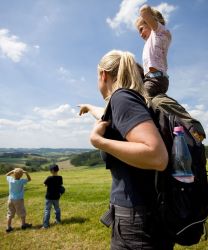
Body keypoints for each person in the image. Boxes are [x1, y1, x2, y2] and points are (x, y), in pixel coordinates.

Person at [80, 49, 174, 249]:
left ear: (103, 75)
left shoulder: (122, 98)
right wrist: (89, 107)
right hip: (145, 214)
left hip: (136, 221)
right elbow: (109, 116)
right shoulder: (129, 100)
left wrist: (99, 141)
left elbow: (157, 156)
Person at [136, 4, 172, 97]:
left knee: (140, 100)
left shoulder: (158, 32)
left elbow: (144, 10)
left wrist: (145, 15)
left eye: (141, 29)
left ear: (150, 22)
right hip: (153, 79)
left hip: (155, 78)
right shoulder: (151, 41)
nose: (140, 34)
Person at [6, 168, 32, 233]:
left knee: (10, 213)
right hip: (19, 200)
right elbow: (29, 179)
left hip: (10, 199)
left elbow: (7, 175)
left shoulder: (10, 180)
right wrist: (26, 173)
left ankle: (8, 227)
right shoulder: (21, 181)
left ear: (13, 174)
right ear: (21, 175)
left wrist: (12, 171)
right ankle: (23, 225)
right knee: (22, 212)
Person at [42, 164, 63, 229]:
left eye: (50, 170)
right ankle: (58, 221)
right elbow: (60, 185)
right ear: (57, 170)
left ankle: (46, 225)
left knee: (47, 210)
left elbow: (44, 184)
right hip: (56, 196)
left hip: (49, 197)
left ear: (52, 171)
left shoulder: (49, 178)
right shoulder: (60, 178)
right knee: (57, 209)